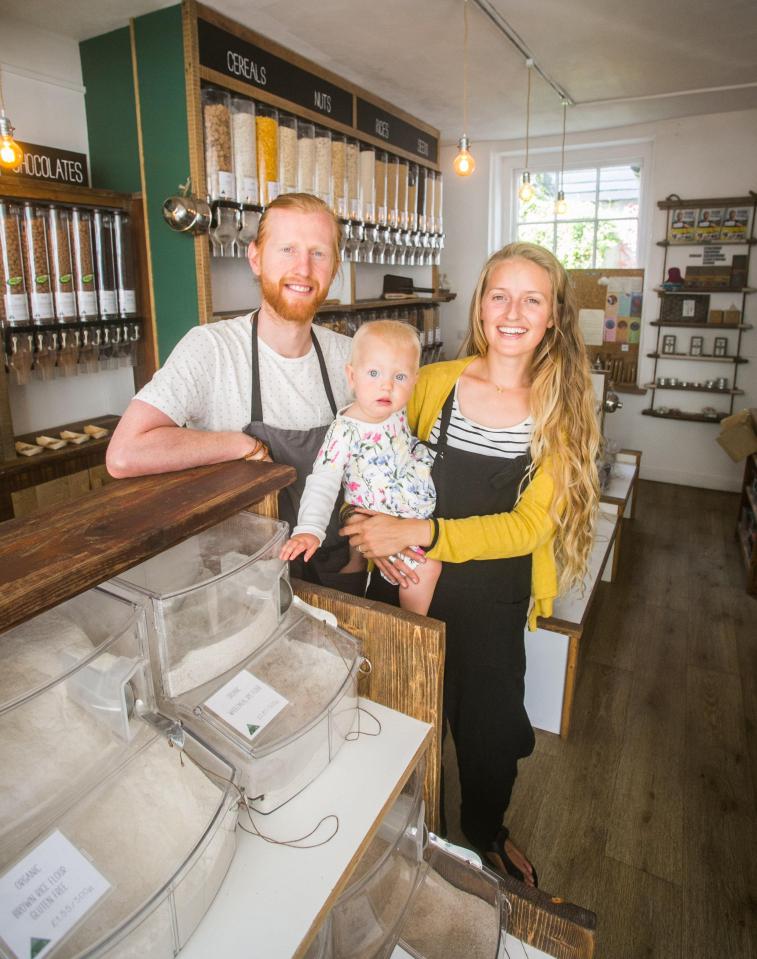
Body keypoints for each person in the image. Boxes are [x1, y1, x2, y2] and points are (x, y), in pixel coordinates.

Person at [341, 242, 601, 886]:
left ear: (553, 317)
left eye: (531, 299)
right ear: (481, 305)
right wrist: (373, 532)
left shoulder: (560, 411)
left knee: (489, 734)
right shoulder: (433, 382)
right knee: (402, 711)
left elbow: (529, 525)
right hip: (408, 579)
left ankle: (484, 831)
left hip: (493, 593)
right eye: (499, 295)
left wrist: (423, 533)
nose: (512, 311)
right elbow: (371, 452)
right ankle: (399, 831)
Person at [106, 193, 361, 591]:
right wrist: (235, 444)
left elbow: (372, 465)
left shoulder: (349, 356)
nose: (303, 268)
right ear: (255, 257)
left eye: (319, 253)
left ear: (335, 267)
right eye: (288, 249)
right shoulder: (211, 348)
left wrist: (358, 559)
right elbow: (124, 454)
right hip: (244, 583)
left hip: (334, 573)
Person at [280, 319, 440, 615]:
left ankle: (370, 580)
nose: (387, 385)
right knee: (427, 569)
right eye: (374, 373)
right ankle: (413, 630)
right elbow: (323, 481)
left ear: (415, 381)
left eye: (400, 376)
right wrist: (310, 529)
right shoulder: (345, 431)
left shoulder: (396, 408)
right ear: (352, 377)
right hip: (381, 520)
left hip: (405, 510)